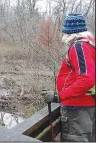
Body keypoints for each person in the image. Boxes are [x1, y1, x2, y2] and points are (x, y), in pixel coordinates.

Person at [41, 14, 95, 142]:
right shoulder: (90, 45)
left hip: (77, 111)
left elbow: (87, 79)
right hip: (85, 108)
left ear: (69, 33)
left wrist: (58, 96)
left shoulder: (79, 47)